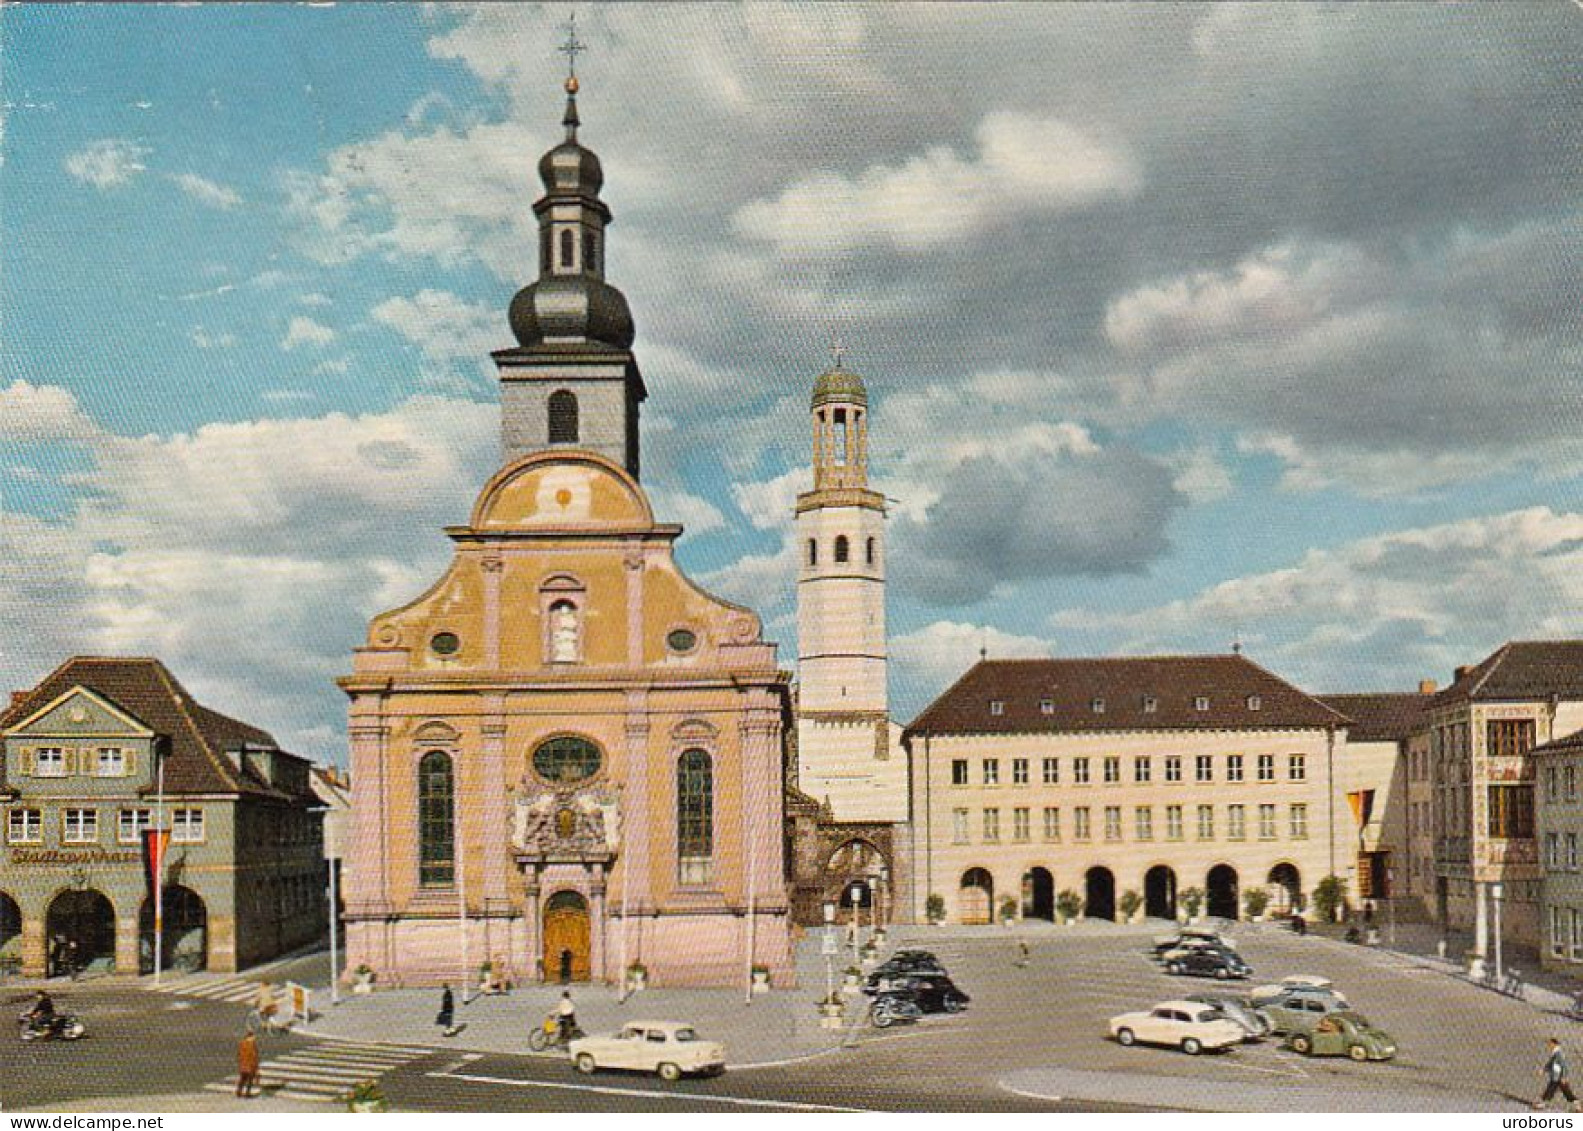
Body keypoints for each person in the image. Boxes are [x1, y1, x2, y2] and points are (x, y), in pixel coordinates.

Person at [1537, 1038, 1581, 1110]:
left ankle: (1543, 1103)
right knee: (1563, 1091)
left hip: (1558, 1077)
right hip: (1556, 1076)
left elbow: (1564, 1066)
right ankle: (1577, 1104)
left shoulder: (1558, 1054)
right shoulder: (1555, 1053)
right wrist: (1543, 1070)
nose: (1549, 1045)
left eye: (1550, 1044)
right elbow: (1550, 1063)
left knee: (1553, 1090)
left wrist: (1563, 1077)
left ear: (1555, 1044)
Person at [236, 1031, 261, 1099]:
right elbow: (254, 1057)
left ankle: (239, 1092)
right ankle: (247, 1093)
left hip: (243, 1064)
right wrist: (256, 1068)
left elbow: (239, 1054)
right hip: (250, 1066)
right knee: (250, 1080)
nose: (255, 1038)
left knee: (242, 1079)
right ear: (250, 1037)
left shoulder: (242, 1043)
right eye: (253, 1037)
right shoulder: (252, 1045)